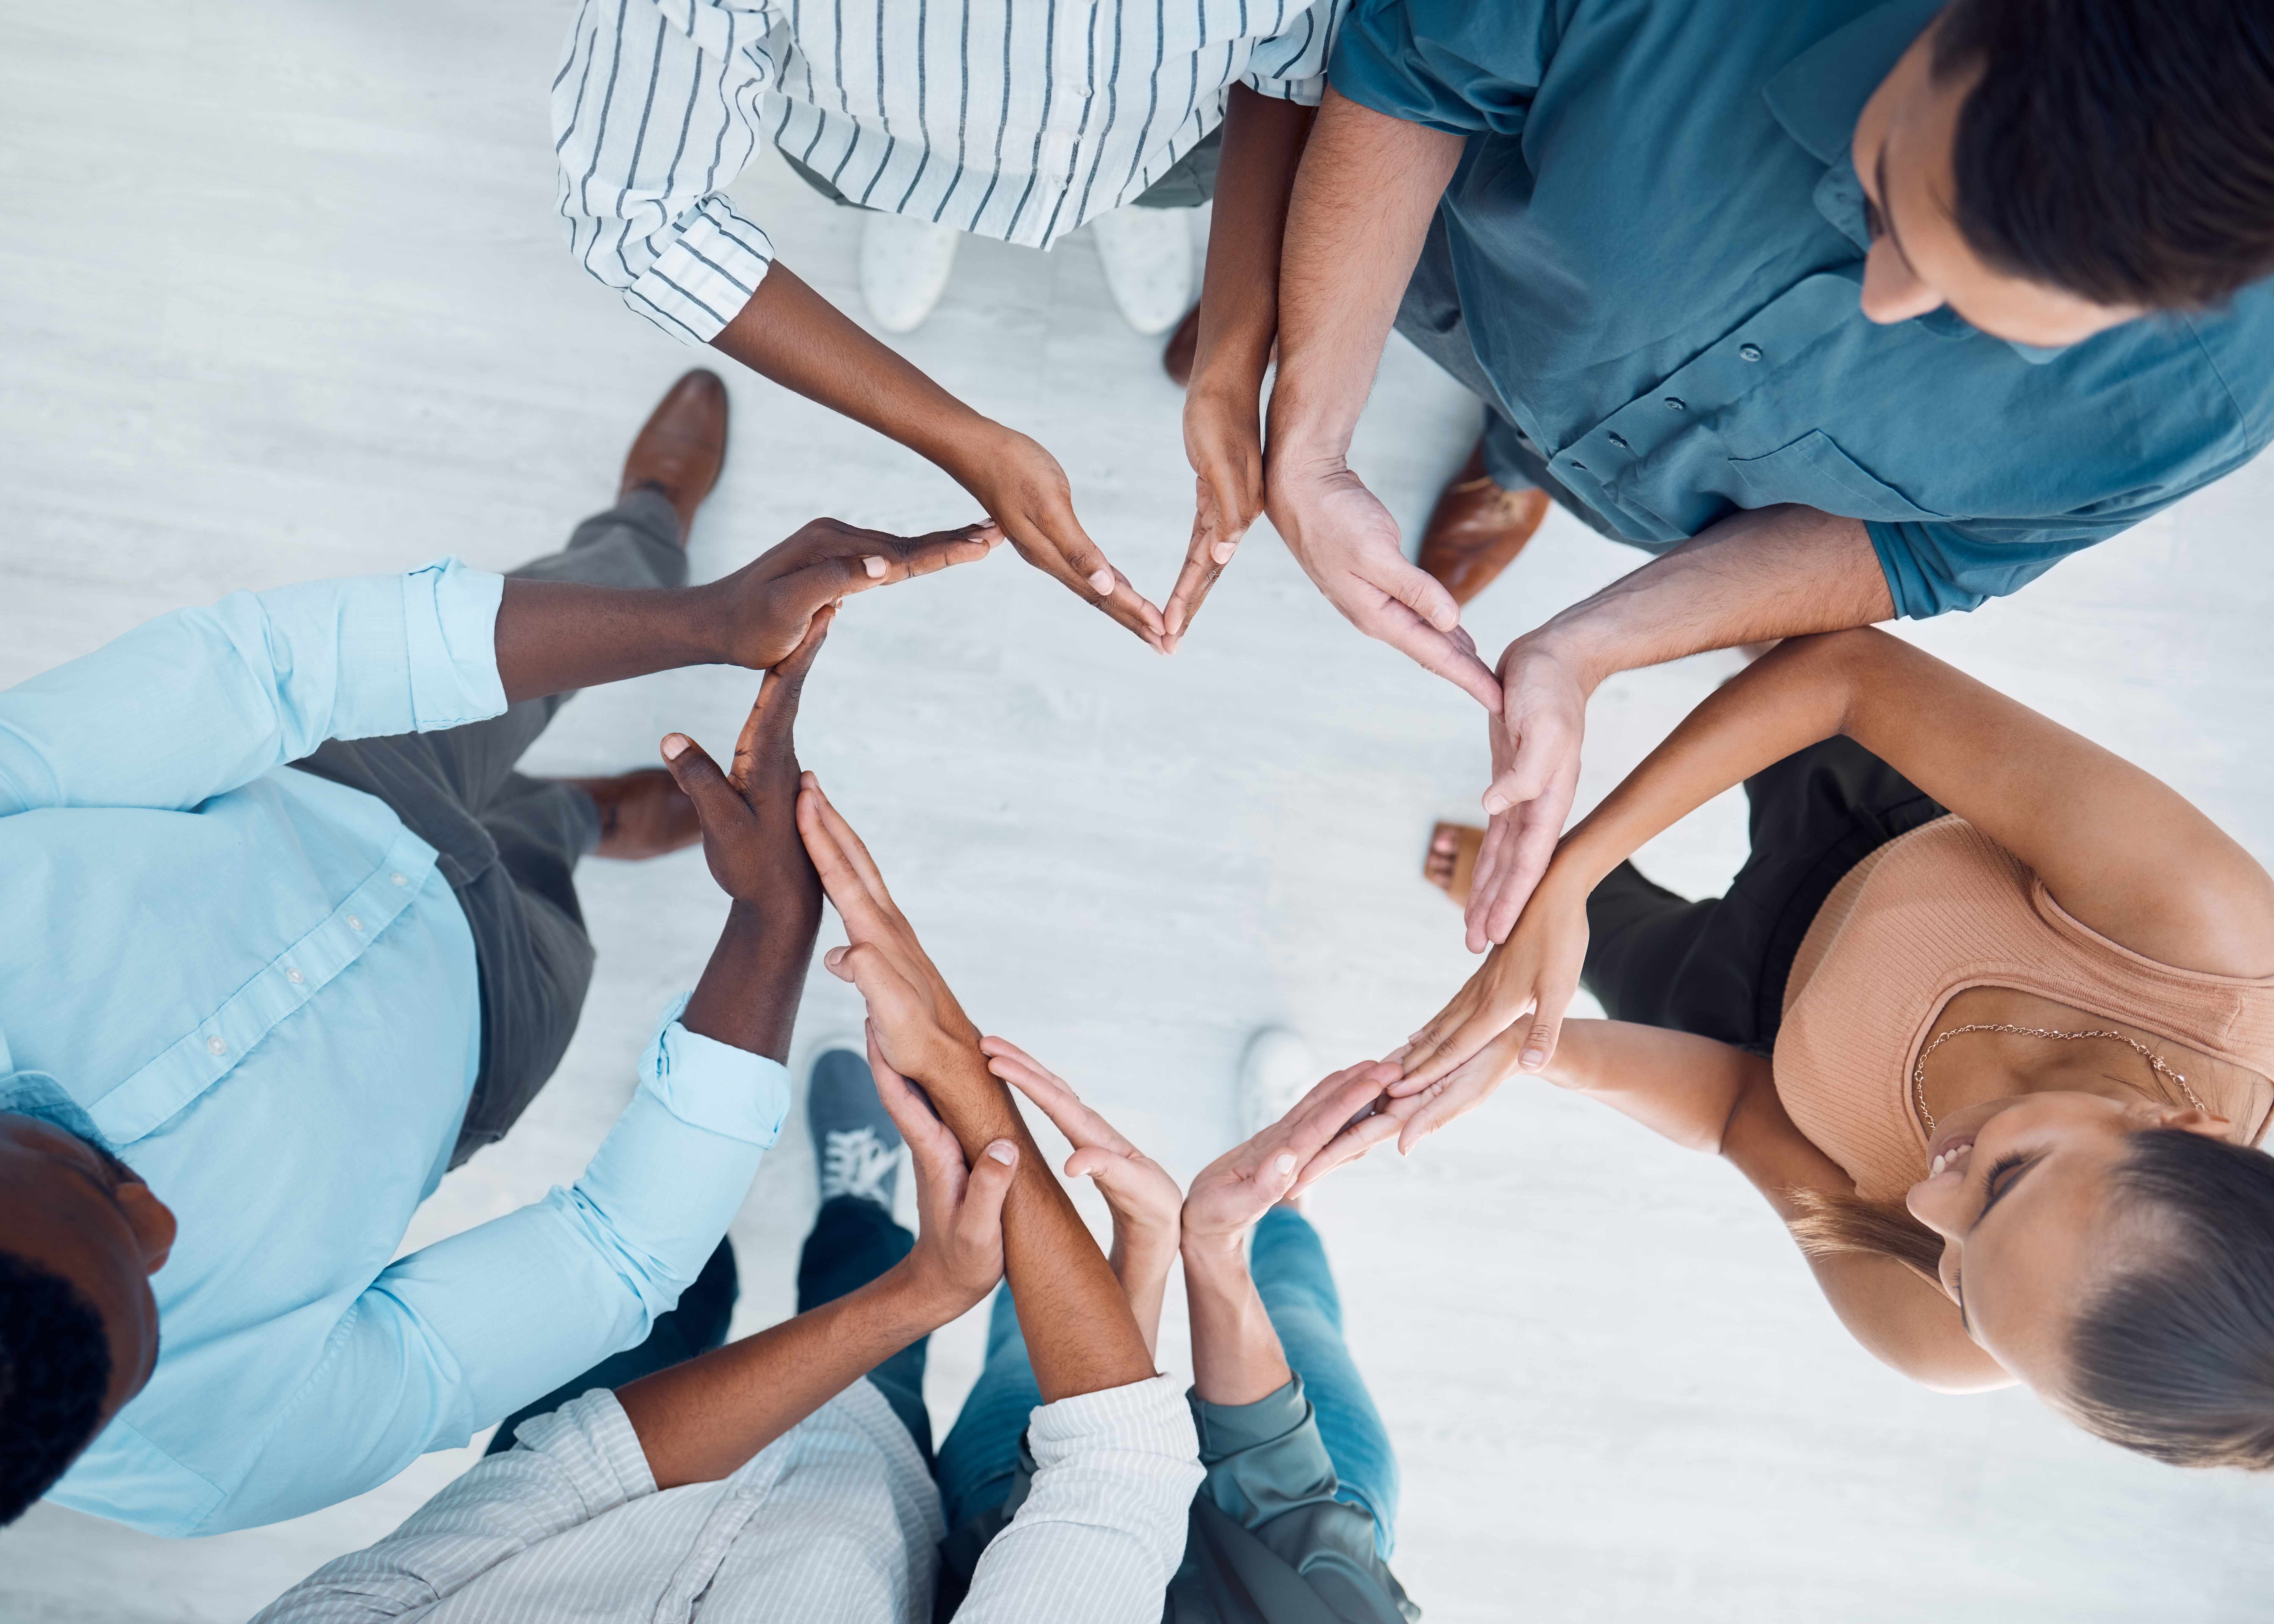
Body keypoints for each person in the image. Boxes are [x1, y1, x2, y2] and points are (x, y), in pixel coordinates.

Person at [0, 371, 997, 1535]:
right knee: (551, 845)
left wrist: (704, 625)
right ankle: (592, 818)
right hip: (497, 995)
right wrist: (772, 919)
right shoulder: (217, 1463)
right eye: (159, 1290)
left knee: (594, 600)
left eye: (80, 1173)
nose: (164, 1218)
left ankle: (650, 524)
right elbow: (611, 1257)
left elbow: (258, 671)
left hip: (339, 761)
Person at [1236, 0, 2274, 951]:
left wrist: (1591, 646)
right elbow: (1413, 61)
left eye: (1981, 317)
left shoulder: (2223, 388)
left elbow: (1929, 546)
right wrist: (1310, 419)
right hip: (1462, 265)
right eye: (1895, 205)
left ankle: (1517, 467)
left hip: (1659, 484)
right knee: (1333, 263)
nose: (1888, 302)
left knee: (1558, 449)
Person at [1374, 628, 2274, 1489]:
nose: (1924, 1206)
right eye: (2003, 1184)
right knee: (1766, 593)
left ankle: (1587, 898)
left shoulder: (1935, 1342)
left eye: (1960, 1280)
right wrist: (1571, 860)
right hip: (1886, 816)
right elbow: (1847, 677)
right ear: (2180, 1125)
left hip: (1755, 1039)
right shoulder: (2204, 941)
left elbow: (1734, 1114)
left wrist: (1530, 1052)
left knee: (1618, 956)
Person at [254, 780, 1200, 1624]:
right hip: (863, 1476)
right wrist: (957, 1071)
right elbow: (1115, 1477)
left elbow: (575, 1473)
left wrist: (922, 1293)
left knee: (662, 1285)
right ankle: (849, 1203)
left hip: (603, 1428)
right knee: (865, 1253)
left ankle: (703, 1195)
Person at [554, 0, 1343, 653]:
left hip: (1170, 134)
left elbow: (1291, 55)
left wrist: (1231, 365)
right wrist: (964, 439)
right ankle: (920, 200)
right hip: (883, 136)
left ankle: (1119, 198)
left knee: (1162, 183)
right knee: (891, 176)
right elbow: (636, 221)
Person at [968, 1030, 1420, 1621]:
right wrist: (1214, 1248)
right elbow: (1293, 1515)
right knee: (1296, 1311)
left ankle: (1047, 1220)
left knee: (1019, 1346)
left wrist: (1142, 1244)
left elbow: (1069, 1503)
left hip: (1025, 1514)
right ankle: (1283, 1196)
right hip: (1305, 1532)